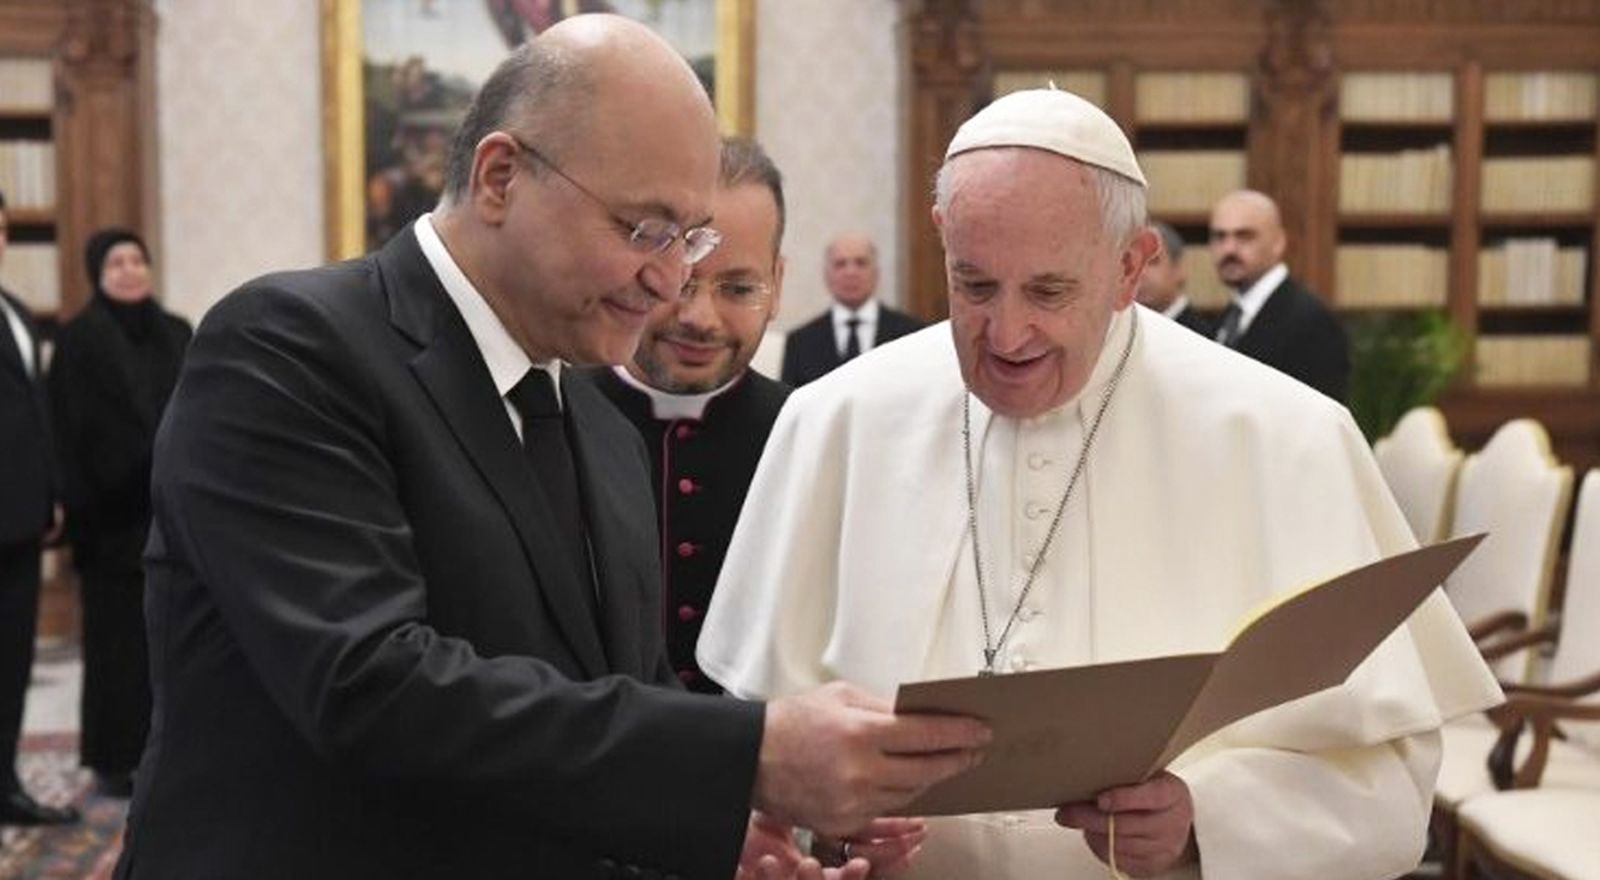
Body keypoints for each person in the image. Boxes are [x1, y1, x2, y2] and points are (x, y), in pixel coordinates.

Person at [114, 17, 986, 880]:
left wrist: (727, 827)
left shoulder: (601, 427)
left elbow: (609, 704)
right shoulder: (291, 347)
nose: (671, 279)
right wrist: (747, 755)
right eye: (645, 229)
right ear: (500, 177)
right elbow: (371, 687)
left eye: (692, 239)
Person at [699, 87, 1501, 879]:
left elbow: (1391, 784)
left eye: (1049, 291)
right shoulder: (834, 419)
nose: (1006, 334)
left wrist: (1206, 822)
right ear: (943, 238)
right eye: (975, 285)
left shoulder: (1286, 436)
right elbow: (752, 750)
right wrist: (821, 830)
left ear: (1131, 266)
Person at [586, 136, 790, 694]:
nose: (701, 318)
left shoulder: (809, 432)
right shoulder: (551, 415)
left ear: (777, 287)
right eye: (682, 280)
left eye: (739, 288)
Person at [50, 227, 191, 798]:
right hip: (111, 523)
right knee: (118, 647)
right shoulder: (78, 341)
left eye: (138, 259)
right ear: (97, 273)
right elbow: (69, 430)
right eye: (117, 262)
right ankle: (115, 758)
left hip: (173, 517)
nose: (130, 270)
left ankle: (177, 751)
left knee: (175, 645)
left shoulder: (177, 332)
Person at [0, 190, 79, 826]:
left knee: (12, 660)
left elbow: (35, 412)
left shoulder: (16, 312)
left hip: (21, 519)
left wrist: (51, 491)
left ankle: (5, 784)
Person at [1209, 189, 1350, 402]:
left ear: (1278, 243)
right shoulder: (1230, 317)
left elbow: (1319, 416)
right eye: (1220, 237)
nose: (1229, 249)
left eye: (1244, 236)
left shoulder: (1311, 320)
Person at [779, 234, 921, 387]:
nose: (851, 272)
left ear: (877, 273)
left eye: (861, 263)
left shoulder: (912, 334)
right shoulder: (799, 343)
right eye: (840, 264)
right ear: (826, 275)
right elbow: (792, 405)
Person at [1136, 221, 1211, 336]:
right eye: (1135, 263)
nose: (1141, 272)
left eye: (1153, 262)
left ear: (1179, 268)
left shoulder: (1204, 336)